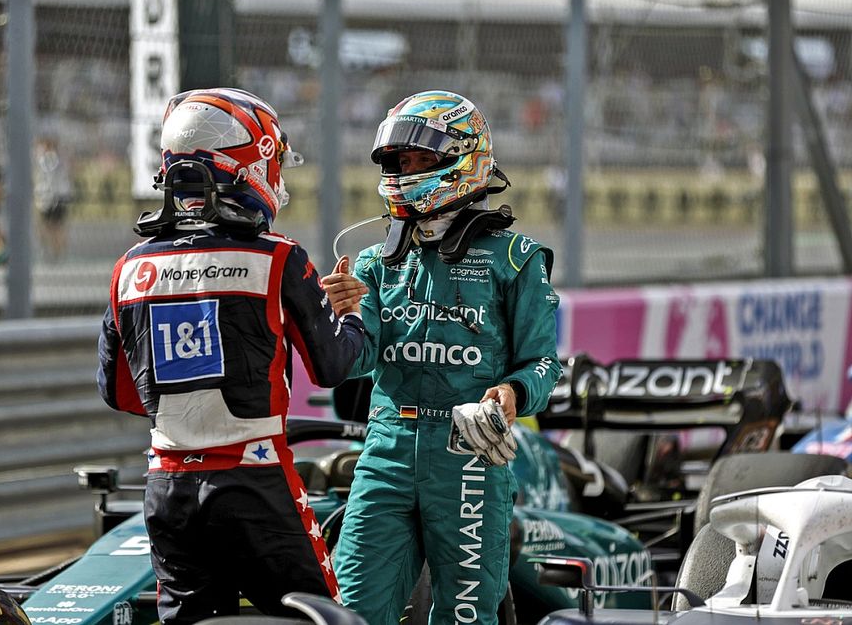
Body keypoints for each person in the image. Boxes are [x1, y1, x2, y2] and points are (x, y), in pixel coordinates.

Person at [96, 88, 367, 624]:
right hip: (257, 484)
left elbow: (119, 393)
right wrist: (353, 316)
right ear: (252, 163)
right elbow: (334, 366)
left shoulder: (128, 268)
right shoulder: (279, 257)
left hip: (166, 489)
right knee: (325, 619)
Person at [322, 90, 562, 624]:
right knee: (351, 612)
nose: (406, 172)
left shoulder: (516, 259)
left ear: (464, 156)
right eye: (400, 162)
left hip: (471, 453)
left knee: (467, 617)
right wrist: (339, 318)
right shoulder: (374, 262)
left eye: (422, 160)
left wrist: (513, 393)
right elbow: (358, 361)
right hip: (385, 449)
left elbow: (545, 365)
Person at [32, 135, 74, 262]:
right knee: (51, 226)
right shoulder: (58, 158)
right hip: (54, 196)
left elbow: (49, 178)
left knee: (53, 227)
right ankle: (54, 252)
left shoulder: (49, 159)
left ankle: (55, 253)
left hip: (51, 198)